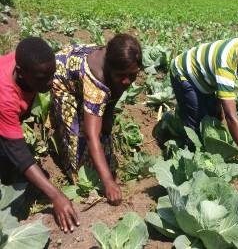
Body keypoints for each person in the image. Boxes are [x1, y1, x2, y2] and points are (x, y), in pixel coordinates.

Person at [51, 34, 142, 205]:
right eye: (122, 75)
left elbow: (111, 99)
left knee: (104, 132)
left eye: (132, 75)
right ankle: (72, 169)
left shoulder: (121, 65)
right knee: (77, 134)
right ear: (109, 68)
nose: (127, 81)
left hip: (80, 71)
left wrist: (106, 125)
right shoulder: (97, 79)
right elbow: (92, 135)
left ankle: (102, 164)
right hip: (62, 77)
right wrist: (108, 182)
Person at [0, 37, 79, 233]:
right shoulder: (5, 95)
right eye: (43, 78)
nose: (51, 82)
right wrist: (56, 196)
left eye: (52, 74)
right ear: (20, 72)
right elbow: (19, 153)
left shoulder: (28, 64)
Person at [170, 38, 238, 178]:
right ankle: (190, 163)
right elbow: (231, 117)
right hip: (183, 73)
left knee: (212, 116)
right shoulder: (225, 65)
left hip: (204, 79)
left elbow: (223, 92)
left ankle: (183, 115)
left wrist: (218, 105)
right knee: (195, 127)